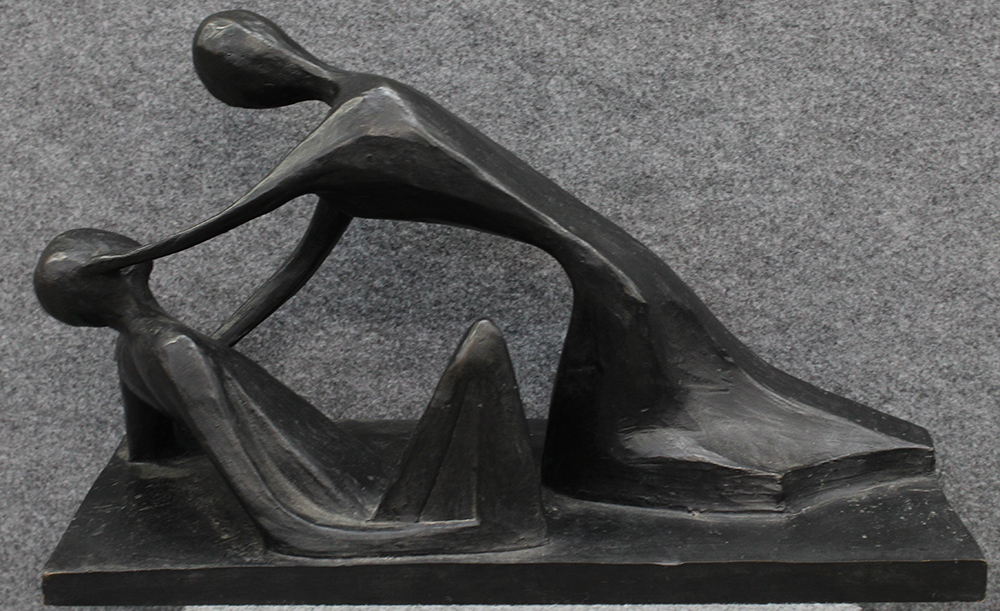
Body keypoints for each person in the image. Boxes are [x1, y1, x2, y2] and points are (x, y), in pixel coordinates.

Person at [88, 11, 935, 511]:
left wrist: (133, 263)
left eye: (242, 67)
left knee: (637, 424)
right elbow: (298, 261)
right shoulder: (356, 126)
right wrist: (223, 337)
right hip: (603, 268)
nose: (259, 74)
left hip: (613, 276)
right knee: (609, 413)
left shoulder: (365, 113)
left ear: (264, 67)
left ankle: (685, 459)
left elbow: (238, 216)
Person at [35, 228, 545, 557]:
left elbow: (150, 451)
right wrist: (296, 525)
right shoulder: (172, 347)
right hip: (351, 503)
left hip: (345, 478)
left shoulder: (130, 351)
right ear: (128, 267)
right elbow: (237, 457)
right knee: (482, 350)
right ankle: (509, 523)